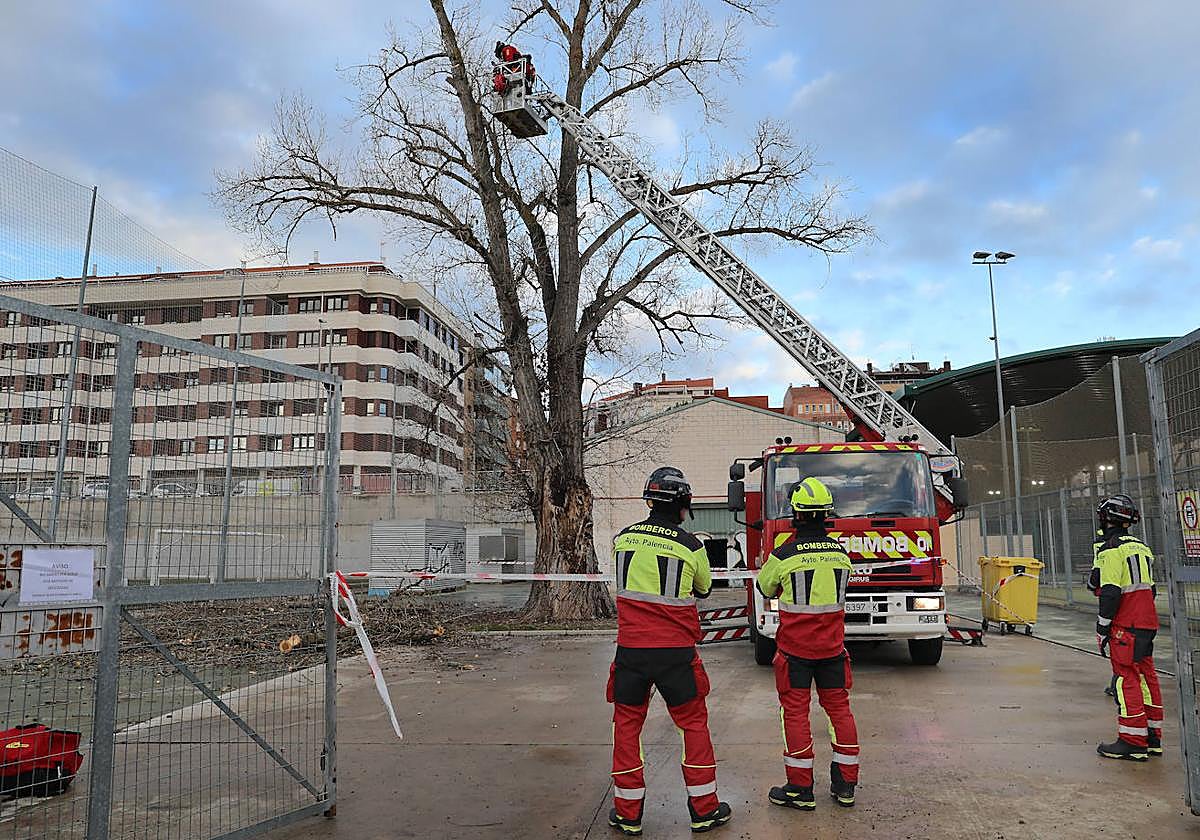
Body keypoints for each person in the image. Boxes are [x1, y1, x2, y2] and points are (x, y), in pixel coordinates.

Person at [607, 466, 732, 836]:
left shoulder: (624, 538)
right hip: (676, 654)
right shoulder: (691, 545)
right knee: (693, 726)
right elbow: (705, 588)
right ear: (683, 505)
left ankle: (627, 814)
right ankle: (704, 810)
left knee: (627, 729)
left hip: (630, 652)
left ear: (649, 500)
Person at [757, 477, 859, 810]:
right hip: (832, 650)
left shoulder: (784, 554)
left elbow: (764, 587)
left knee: (796, 716)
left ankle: (800, 790)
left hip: (795, 653)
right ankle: (846, 786)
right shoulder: (841, 555)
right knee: (840, 713)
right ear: (826, 515)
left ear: (796, 515)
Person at [1090, 494, 1163, 760]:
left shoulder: (1110, 549)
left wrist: (1102, 628)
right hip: (1146, 621)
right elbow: (1150, 589)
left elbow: (1109, 591)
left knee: (1125, 678)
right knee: (1147, 677)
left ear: (1107, 519)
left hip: (1125, 624)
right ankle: (1152, 737)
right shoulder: (1142, 548)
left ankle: (1132, 740)